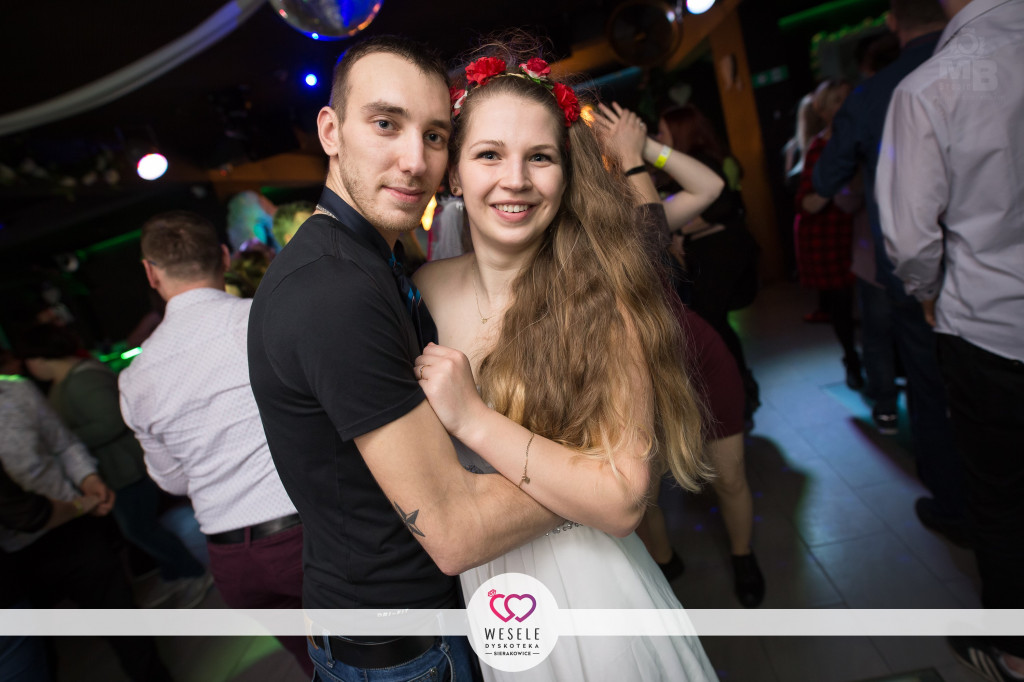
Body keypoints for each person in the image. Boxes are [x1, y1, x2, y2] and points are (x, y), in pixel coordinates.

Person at [247, 35, 563, 681]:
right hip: (405, 648)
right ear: (331, 131)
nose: (415, 161)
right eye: (386, 124)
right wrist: (603, 479)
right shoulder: (333, 288)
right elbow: (455, 531)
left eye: (435, 136)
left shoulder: (371, 261)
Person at [411, 43, 717, 680]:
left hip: (591, 594)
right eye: (489, 154)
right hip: (486, 601)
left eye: (540, 157)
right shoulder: (421, 292)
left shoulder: (603, 300)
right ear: (453, 174)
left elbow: (624, 503)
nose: (515, 180)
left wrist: (473, 419)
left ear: (566, 171)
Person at [875, 0, 1024, 677]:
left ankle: (1015, 653)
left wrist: (927, 291)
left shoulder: (931, 87)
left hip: (990, 326)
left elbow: (909, 238)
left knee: (1001, 497)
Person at [118, 211, 311, 675]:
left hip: (232, 561)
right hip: (305, 536)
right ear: (224, 257)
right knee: (383, 652)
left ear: (150, 273)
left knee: (315, 665)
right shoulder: (265, 318)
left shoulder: (135, 377)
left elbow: (172, 482)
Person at [595, 101, 766, 609]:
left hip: (697, 357)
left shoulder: (639, 217)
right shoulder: (570, 241)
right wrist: (631, 159)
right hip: (630, 374)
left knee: (730, 475)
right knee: (642, 493)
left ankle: (743, 556)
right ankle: (666, 563)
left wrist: (645, 147)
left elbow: (710, 188)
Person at [810, 2, 969, 539]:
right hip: (992, 263)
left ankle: (955, 505)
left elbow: (825, 179)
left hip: (917, 272)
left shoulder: (877, 92)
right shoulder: (994, 63)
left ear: (894, 21)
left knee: (930, 385)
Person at [17, 322, 211, 608]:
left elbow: (111, 421)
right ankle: (175, 574)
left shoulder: (83, 380)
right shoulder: (66, 382)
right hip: (112, 471)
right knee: (139, 529)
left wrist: (63, 443)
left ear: (38, 358)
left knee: (140, 529)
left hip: (125, 470)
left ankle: (192, 572)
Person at [0, 373, 172, 681]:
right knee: (35, 655)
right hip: (14, 557)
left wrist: (88, 479)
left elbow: (64, 444)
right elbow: (26, 514)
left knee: (122, 621)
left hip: (74, 532)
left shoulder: (15, 390)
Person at [655, 103, 762, 423]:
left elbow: (721, 207)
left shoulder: (700, 162)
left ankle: (740, 396)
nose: (659, 137)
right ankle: (740, 395)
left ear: (680, 131)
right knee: (715, 322)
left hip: (722, 251)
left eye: (663, 131)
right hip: (712, 250)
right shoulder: (690, 163)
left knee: (713, 322)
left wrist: (680, 227)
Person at [794, 79, 866, 390]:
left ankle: (880, 363)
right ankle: (852, 360)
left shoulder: (865, 134)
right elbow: (806, 201)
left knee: (871, 304)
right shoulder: (819, 146)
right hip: (829, 233)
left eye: (847, 98)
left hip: (859, 230)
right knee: (841, 305)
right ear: (823, 111)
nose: (844, 106)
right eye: (836, 101)